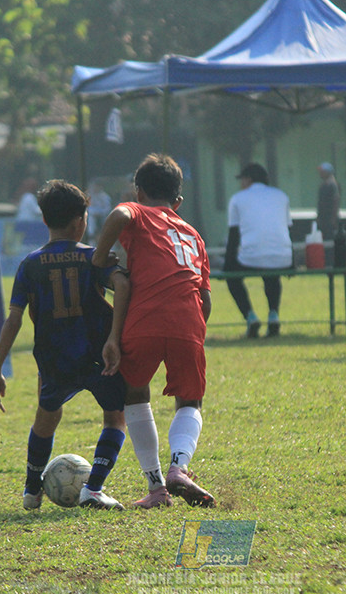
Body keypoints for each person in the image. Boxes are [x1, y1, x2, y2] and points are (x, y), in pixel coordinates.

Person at [0, 180, 130, 511]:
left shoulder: (30, 264)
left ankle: (31, 490)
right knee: (115, 418)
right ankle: (93, 488)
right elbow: (122, 284)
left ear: (44, 220)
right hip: (98, 353)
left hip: (53, 358)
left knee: (46, 418)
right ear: (80, 222)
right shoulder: (93, 260)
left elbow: (13, 320)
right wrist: (114, 335)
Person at [92, 154, 215, 510]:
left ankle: (157, 487)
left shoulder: (137, 211)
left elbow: (118, 215)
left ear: (138, 190)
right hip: (189, 320)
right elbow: (205, 299)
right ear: (178, 202)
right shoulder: (194, 235)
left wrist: (100, 257)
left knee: (134, 394)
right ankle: (180, 467)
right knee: (190, 401)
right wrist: (193, 330)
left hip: (144, 320)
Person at [224, 162, 293, 338]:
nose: (240, 184)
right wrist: (291, 261)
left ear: (248, 180)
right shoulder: (282, 196)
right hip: (283, 257)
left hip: (251, 258)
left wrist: (228, 266)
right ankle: (273, 316)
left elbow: (233, 236)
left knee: (233, 279)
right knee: (271, 272)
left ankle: (250, 316)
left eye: (242, 180)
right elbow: (287, 230)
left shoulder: (237, 199)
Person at [316, 162, 341, 239]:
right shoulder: (323, 185)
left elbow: (336, 201)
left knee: (330, 241)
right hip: (323, 220)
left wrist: (333, 219)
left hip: (329, 220)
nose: (320, 173)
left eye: (322, 171)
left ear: (328, 172)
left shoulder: (333, 185)